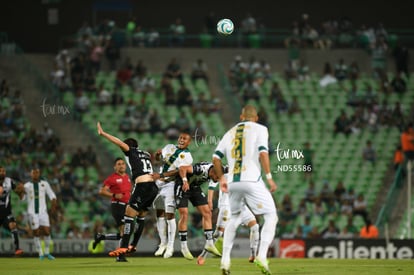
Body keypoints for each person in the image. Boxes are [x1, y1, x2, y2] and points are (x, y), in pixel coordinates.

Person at [213, 105, 278, 275]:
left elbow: (216, 157)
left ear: (242, 116)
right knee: (271, 216)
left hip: (233, 181)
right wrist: (269, 177)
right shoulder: (261, 129)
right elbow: (263, 153)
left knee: (233, 218)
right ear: (255, 118)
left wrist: (221, 178)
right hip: (252, 180)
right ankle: (262, 256)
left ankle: (225, 261)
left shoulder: (229, 132)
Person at [96, 122, 159, 258]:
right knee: (141, 215)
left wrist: (103, 133)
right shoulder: (146, 154)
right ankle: (133, 245)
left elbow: (119, 142)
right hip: (153, 188)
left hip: (142, 185)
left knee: (129, 214)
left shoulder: (131, 151)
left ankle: (124, 246)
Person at [197, 171, 260, 265]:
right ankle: (203, 255)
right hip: (226, 205)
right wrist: (209, 201)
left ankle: (253, 255)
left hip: (240, 205)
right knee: (218, 233)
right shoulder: (226, 170)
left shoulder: (246, 172)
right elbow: (212, 184)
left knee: (255, 226)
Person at [168, 162, 222, 261]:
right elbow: (182, 168)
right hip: (183, 185)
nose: (218, 179)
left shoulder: (217, 170)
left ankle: (209, 243)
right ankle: (184, 247)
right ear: (213, 172)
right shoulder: (200, 169)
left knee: (207, 212)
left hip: (194, 187)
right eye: (218, 177)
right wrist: (184, 181)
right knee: (184, 213)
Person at [152, 133, 193, 259]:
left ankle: (170, 246)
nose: (181, 140)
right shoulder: (169, 147)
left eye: (184, 139)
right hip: (159, 183)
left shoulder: (187, 156)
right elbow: (159, 161)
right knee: (159, 212)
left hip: (171, 184)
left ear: (188, 142)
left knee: (169, 214)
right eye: (180, 138)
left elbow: (178, 171)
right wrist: (158, 155)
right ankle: (163, 243)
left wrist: (162, 176)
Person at [93, 157, 132, 262]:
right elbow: (102, 191)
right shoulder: (112, 178)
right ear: (115, 167)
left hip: (127, 206)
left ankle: (102, 237)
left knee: (124, 233)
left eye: (123, 164)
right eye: (119, 164)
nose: (121, 165)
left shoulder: (128, 177)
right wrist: (113, 194)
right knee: (124, 231)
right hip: (118, 206)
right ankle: (120, 256)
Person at [22, 167, 57, 260]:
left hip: (43, 212)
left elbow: (51, 194)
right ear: (31, 174)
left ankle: (47, 252)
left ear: (39, 173)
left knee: (47, 231)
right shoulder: (26, 186)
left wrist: (53, 202)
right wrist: (19, 192)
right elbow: (23, 198)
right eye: (33, 173)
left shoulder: (44, 184)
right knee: (36, 233)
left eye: (37, 172)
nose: (35, 174)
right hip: (32, 213)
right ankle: (40, 253)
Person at [0, 165, 24, 255]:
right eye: (1, 171)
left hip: (6, 212)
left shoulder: (9, 181)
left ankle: (17, 249)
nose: (3, 173)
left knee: (13, 225)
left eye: (4, 171)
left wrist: (20, 191)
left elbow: (17, 191)